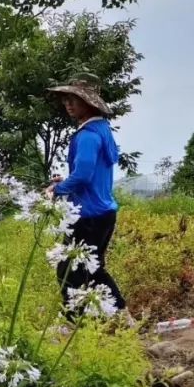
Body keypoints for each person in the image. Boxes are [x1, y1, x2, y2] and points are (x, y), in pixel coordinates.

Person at [45, 73, 132, 323]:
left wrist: (55, 190)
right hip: (103, 212)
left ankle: (73, 324)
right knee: (92, 269)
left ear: (90, 103)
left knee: (69, 271)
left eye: (74, 99)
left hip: (88, 215)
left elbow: (83, 175)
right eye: (66, 100)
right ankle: (122, 317)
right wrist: (66, 183)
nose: (68, 104)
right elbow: (89, 175)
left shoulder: (87, 136)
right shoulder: (102, 131)